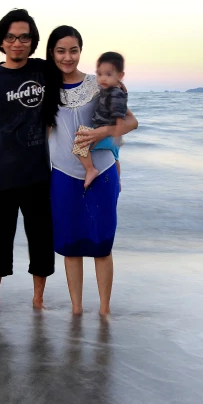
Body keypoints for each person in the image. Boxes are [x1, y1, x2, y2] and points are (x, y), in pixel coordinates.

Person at [42, 26, 138, 316]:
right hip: (63, 174)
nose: (67, 57)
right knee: (70, 247)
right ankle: (76, 312)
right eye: (61, 51)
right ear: (52, 53)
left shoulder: (99, 84)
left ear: (80, 51)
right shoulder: (47, 89)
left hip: (103, 171)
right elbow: (41, 132)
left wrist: (102, 133)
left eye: (73, 50)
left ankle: (105, 312)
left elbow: (132, 122)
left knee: (101, 243)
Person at [0, 9, 54, 313]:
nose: (18, 43)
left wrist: (112, 90)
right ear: (1, 41)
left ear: (33, 42)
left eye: (24, 37)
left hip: (39, 174)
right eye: (11, 37)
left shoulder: (44, 71)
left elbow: (74, 82)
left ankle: (38, 300)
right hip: (1, 175)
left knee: (41, 241)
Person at [73, 52, 128, 189]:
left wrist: (117, 132)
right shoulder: (112, 89)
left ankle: (90, 169)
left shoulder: (115, 93)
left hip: (108, 135)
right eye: (99, 74)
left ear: (120, 76)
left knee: (80, 143)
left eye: (108, 74)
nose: (103, 78)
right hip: (113, 138)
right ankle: (118, 181)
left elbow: (119, 114)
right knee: (115, 159)